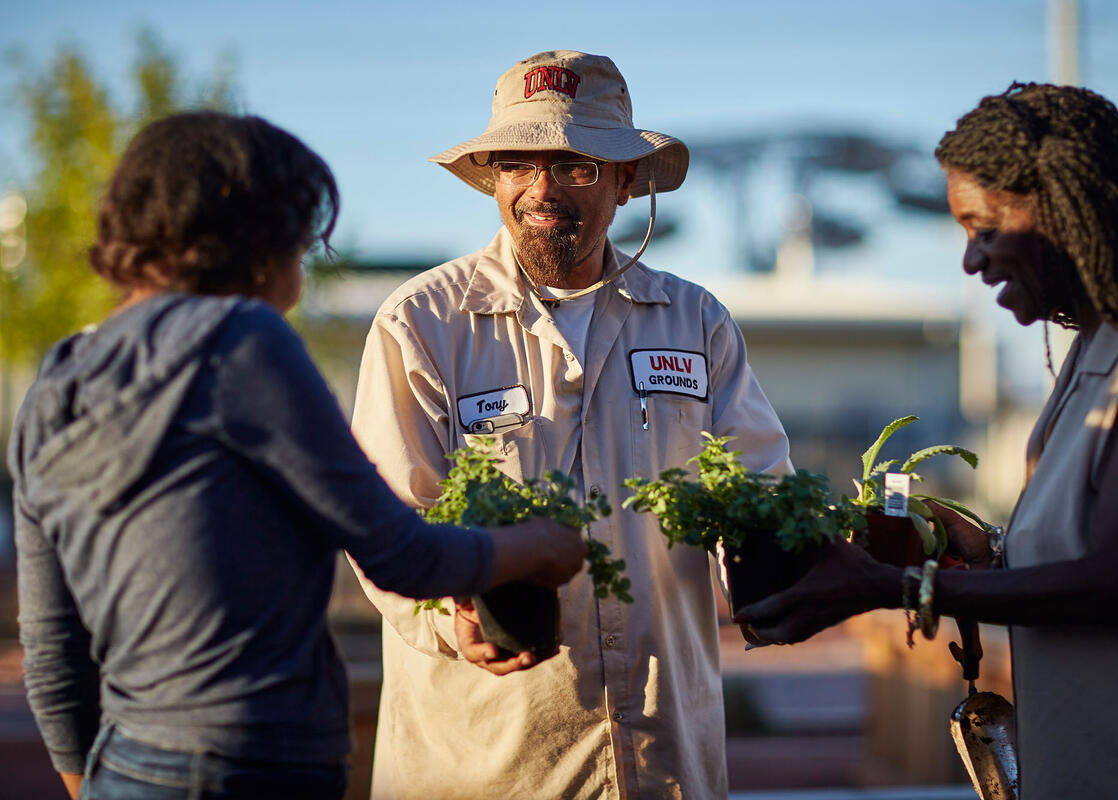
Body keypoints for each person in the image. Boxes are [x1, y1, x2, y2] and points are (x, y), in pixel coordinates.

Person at [8, 111, 586, 800]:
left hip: (126, 764)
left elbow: (51, 649)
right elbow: (402, 553)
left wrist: (90, 784)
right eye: (305, 243)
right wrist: (538, 547)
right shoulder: (243, 341)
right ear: (263, 240)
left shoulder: (58, 380)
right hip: (254, 764)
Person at [735, 82, 1118, 799]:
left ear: (1065, 210)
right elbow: (1082, 552)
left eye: (983, 228)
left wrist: (892, 587)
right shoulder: (1093, 348)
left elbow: (1114, 583)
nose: (971, 262)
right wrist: (976, 552)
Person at [350, 50, 791, 799]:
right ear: (493, 178)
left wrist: (794, 566)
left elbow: (762, 495)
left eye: (577, 166)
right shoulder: (423, 323)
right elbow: (384, 527)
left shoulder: (694, 321)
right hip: (484, 765)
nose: (543, 189)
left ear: (626, 181)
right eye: (519, 164)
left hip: (662, 761)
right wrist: (452, 615)